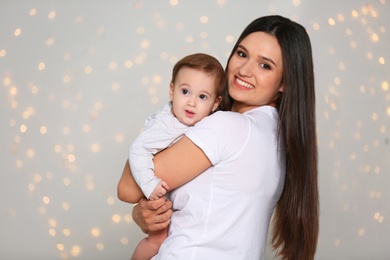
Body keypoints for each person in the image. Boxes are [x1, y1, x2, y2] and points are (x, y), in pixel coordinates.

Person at [118, 15, 319, 260]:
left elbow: (127, 188)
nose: (244, 70)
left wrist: (167, 119)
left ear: (285, 82)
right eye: (242, 54)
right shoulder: (275, 135)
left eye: (265, 65)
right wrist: (146, 214)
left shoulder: (227, 127)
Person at [127, 53, 225, 260]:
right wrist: (149, 184)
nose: (191, 103)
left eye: (202, 97)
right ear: (172, 91)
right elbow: (138, 149)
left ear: (216, 103)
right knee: (156, 241)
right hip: (157, 192)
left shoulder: (211, 124)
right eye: (185, 91)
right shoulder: (166, 125)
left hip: (178, 198)